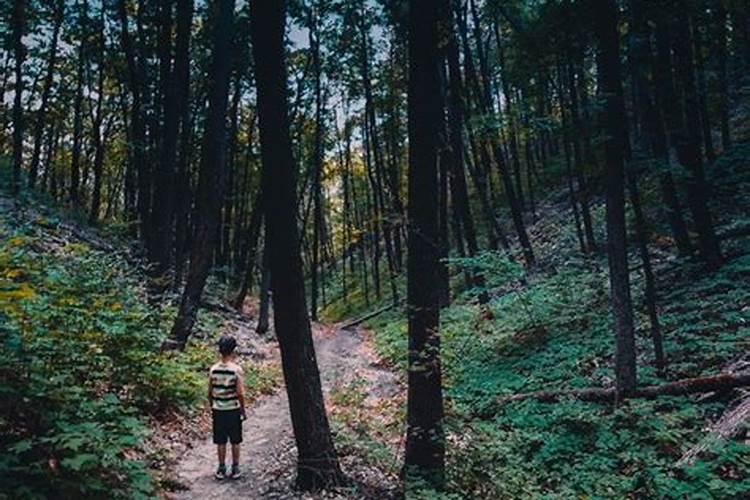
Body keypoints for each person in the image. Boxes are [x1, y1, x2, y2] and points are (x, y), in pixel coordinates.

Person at [208, 335, 246, 480]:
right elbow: (240, 393)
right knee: (235, 440)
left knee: (220, 440)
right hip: (233, 409)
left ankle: (221, 467)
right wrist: (243, 411)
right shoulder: (236, 370)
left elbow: (209, 392)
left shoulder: (213, 370)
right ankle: (235, 467)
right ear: (233, 350)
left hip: (218, 409)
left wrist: (213, 405)